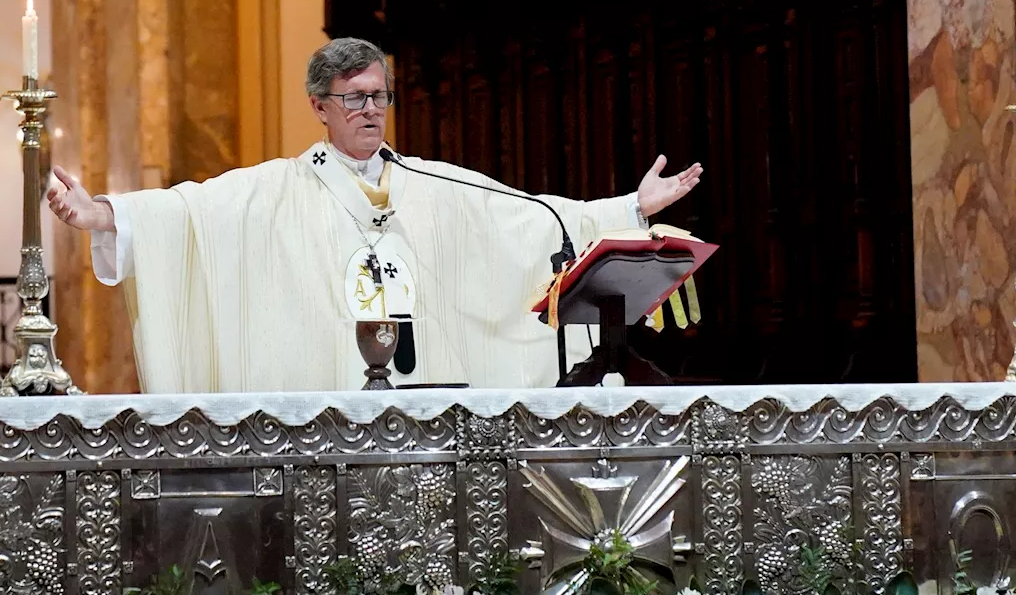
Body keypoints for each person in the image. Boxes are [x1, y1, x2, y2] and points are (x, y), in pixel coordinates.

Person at [48, 38, 702, 392]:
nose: (369, 110)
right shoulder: (279, 189)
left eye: (379, 97)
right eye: (354, 98)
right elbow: (190, 212)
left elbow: (532, 219)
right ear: (319, 105)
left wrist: (630, 207)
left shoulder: (432, 183)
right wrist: (101, 213)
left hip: (433, 389)